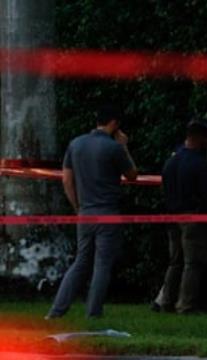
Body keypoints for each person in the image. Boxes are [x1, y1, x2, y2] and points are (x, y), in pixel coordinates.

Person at [46, 105, 138, 319]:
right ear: (114, 124)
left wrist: (78, 207)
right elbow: (132, 175)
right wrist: (124, 146)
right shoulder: (113, 148)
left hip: (85, 213)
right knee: (102, 264)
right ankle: (93, 312)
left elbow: (66, 179)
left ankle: (56, 311)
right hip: (108, 213)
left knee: (81, 262)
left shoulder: (76, 144)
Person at [152, 101, 207, 313]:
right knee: (192, 263)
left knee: (175, 262)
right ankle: (186, 305)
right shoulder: (200, 165)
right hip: (192, 218)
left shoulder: (172, 161)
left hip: (171, 216)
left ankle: (165, 301)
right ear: (200, 138)